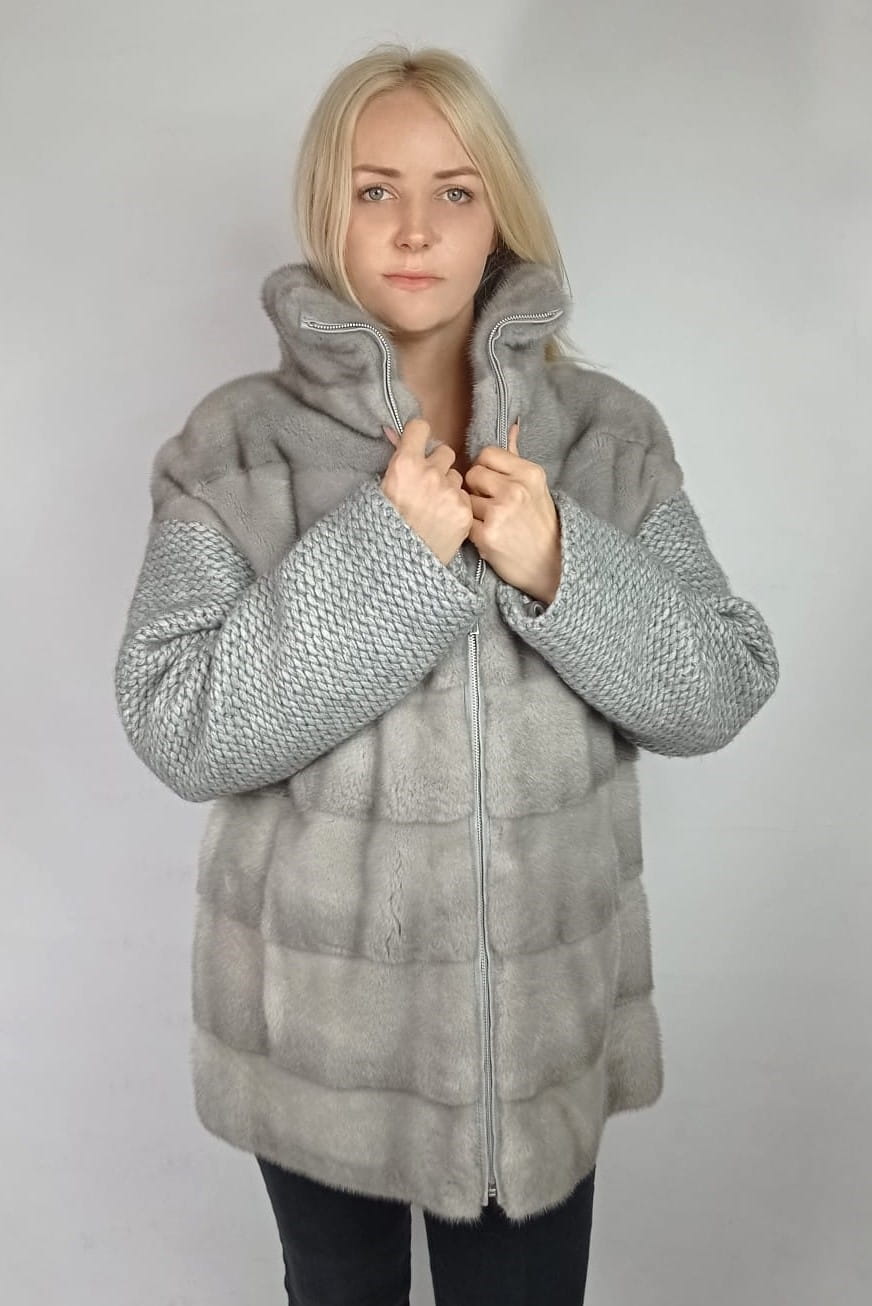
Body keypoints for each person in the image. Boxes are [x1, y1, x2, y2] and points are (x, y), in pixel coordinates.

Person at [113, 42, 780, 1306]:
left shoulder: (605, 436)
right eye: (375, 189)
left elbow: (723, 682)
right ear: (328, 209)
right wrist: (386, 553)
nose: (413, 227)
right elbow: (177, 720)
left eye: (454, 191)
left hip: (538, 1047)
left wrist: (561, 561)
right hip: (318, 1047)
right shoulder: (234, 447)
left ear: (497, 218)